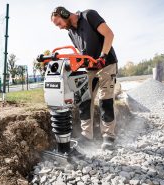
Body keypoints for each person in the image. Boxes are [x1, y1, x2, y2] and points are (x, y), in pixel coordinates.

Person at [51, 7, 118, 150]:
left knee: (105, 99)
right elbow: (81, 53)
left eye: (59, 23)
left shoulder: (89, 16)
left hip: (106, 64)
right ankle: (87, 135)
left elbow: (109, 35)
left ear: (64, 14)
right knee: (84, 100)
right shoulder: (70, 32)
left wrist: (103, 56)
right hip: (90, 68)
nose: (60, 27)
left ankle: (108, 136)